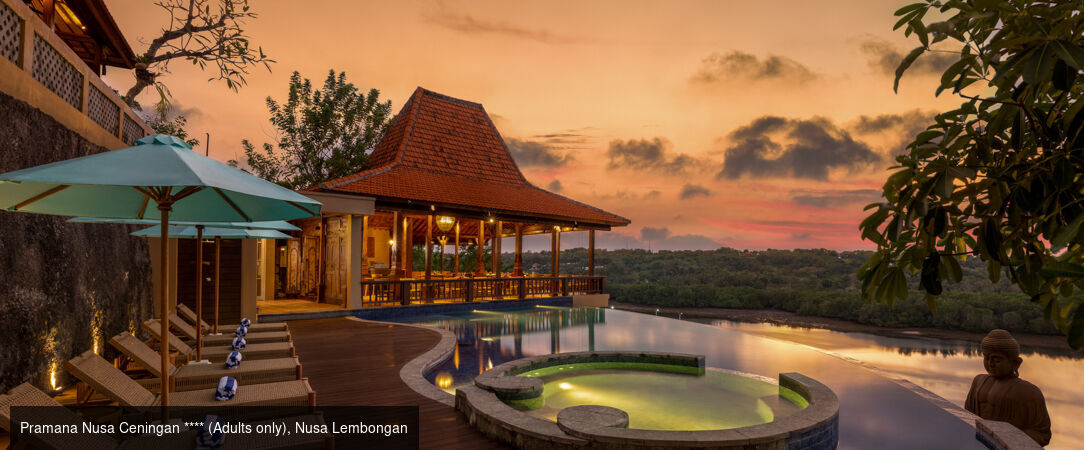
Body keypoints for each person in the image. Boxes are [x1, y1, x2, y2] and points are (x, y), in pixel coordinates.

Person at [964, 329, 1051, 446]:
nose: (990, 364)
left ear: (1016, 363)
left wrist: (1008, 437)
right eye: (986, 358)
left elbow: (1043, 434)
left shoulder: (1028, 392)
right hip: (978, 443)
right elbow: (966, 417)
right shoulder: (978, 381)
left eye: (997, 360)